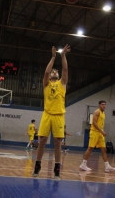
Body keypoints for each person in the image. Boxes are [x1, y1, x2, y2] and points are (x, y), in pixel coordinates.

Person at [33, 45, 70, 179]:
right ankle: (37, 166)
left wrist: (63, 55)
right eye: (53, 71)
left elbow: (65, 69)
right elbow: (46, 73)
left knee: (57, 142)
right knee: (42, 140)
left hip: (59, 116)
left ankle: (57, 169)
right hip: (47, 114)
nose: (54, 72)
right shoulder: (46, 84)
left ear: (59, 75)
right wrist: (53, 57)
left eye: (56, 71)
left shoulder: (62, 84)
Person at [79, 101, 115, 172]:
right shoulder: (97, 112)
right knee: (90, 148)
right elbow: (94, 123)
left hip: (100, 133)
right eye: (102, 104)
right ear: (99, 105)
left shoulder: (103, 113)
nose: (104, 106)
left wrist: (102, 131)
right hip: (94, 132)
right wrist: (102, 131)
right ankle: (83, 164)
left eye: (105, 105)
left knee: (104, 149)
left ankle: (107, 166)